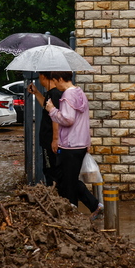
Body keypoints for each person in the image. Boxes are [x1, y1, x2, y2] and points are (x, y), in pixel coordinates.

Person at [45, 71, 103, 219]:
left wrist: (52, 110)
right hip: (80, 144)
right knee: (68, 180)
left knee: (67, 182)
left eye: (55, 81)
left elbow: (68, 119)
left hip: (70, 145)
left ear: (60, 79)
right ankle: (84, 208)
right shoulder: (79, 93)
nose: (55, 85)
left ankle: (87, 208)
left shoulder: (68, 95)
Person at [27, 71, 62, 187]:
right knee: (48, 169)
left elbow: (56, 118)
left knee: (50, 170)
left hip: (50, 140)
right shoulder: (50, 93)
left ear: (43, 77)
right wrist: (36, 93)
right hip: (47, 139)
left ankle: (54, 196)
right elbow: (45, 106)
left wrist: (55, 139)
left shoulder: (55, 94)